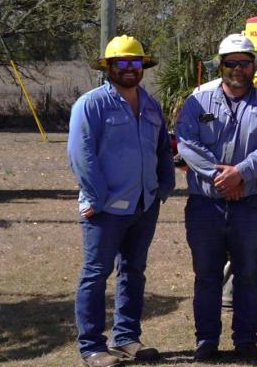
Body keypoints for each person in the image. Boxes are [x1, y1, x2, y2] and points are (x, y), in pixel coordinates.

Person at [175, 34, 257, 362]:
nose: (237, 68)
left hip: (250, 205)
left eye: (244, 62)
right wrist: (221, 178)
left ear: (254, 65)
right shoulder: (197, 102)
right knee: (206, 275)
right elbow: (186, 143)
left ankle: (246, 339)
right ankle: (206, 341)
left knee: (249, 273)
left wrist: (240, 173)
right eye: (230, 62)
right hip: (205, 205)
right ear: (220, 65)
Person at [67, 35, 174, 367]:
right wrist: (97, 198)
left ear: (143, 66)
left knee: (133, 272)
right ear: (108, 67)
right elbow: (80, 155)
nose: (129, 68)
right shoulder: (91, 104)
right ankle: (91, 347)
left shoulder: (151, 105)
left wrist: (164, 186)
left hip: (144, 206)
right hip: (106, 209)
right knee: (95, 274)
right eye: (122, 62)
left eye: (135, 62)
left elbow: (162, 150)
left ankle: (126, 337)